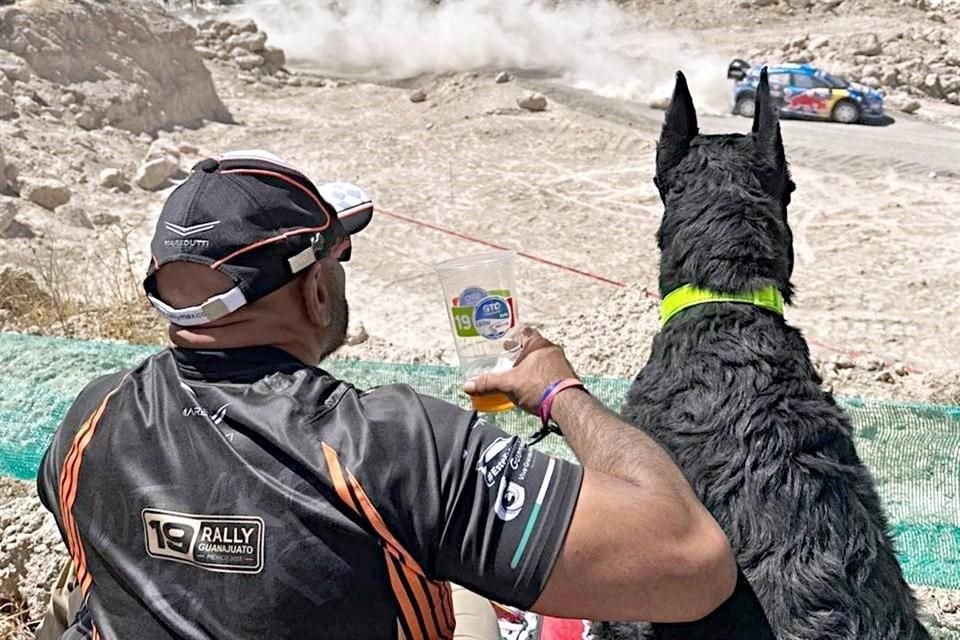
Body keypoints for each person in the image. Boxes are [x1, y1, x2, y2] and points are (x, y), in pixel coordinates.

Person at [35, 151, 736, 639]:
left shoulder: (90, 417)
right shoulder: (393, 447)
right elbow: (691, 563)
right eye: (340, 258)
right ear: (313, 289)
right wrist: (559, 392)